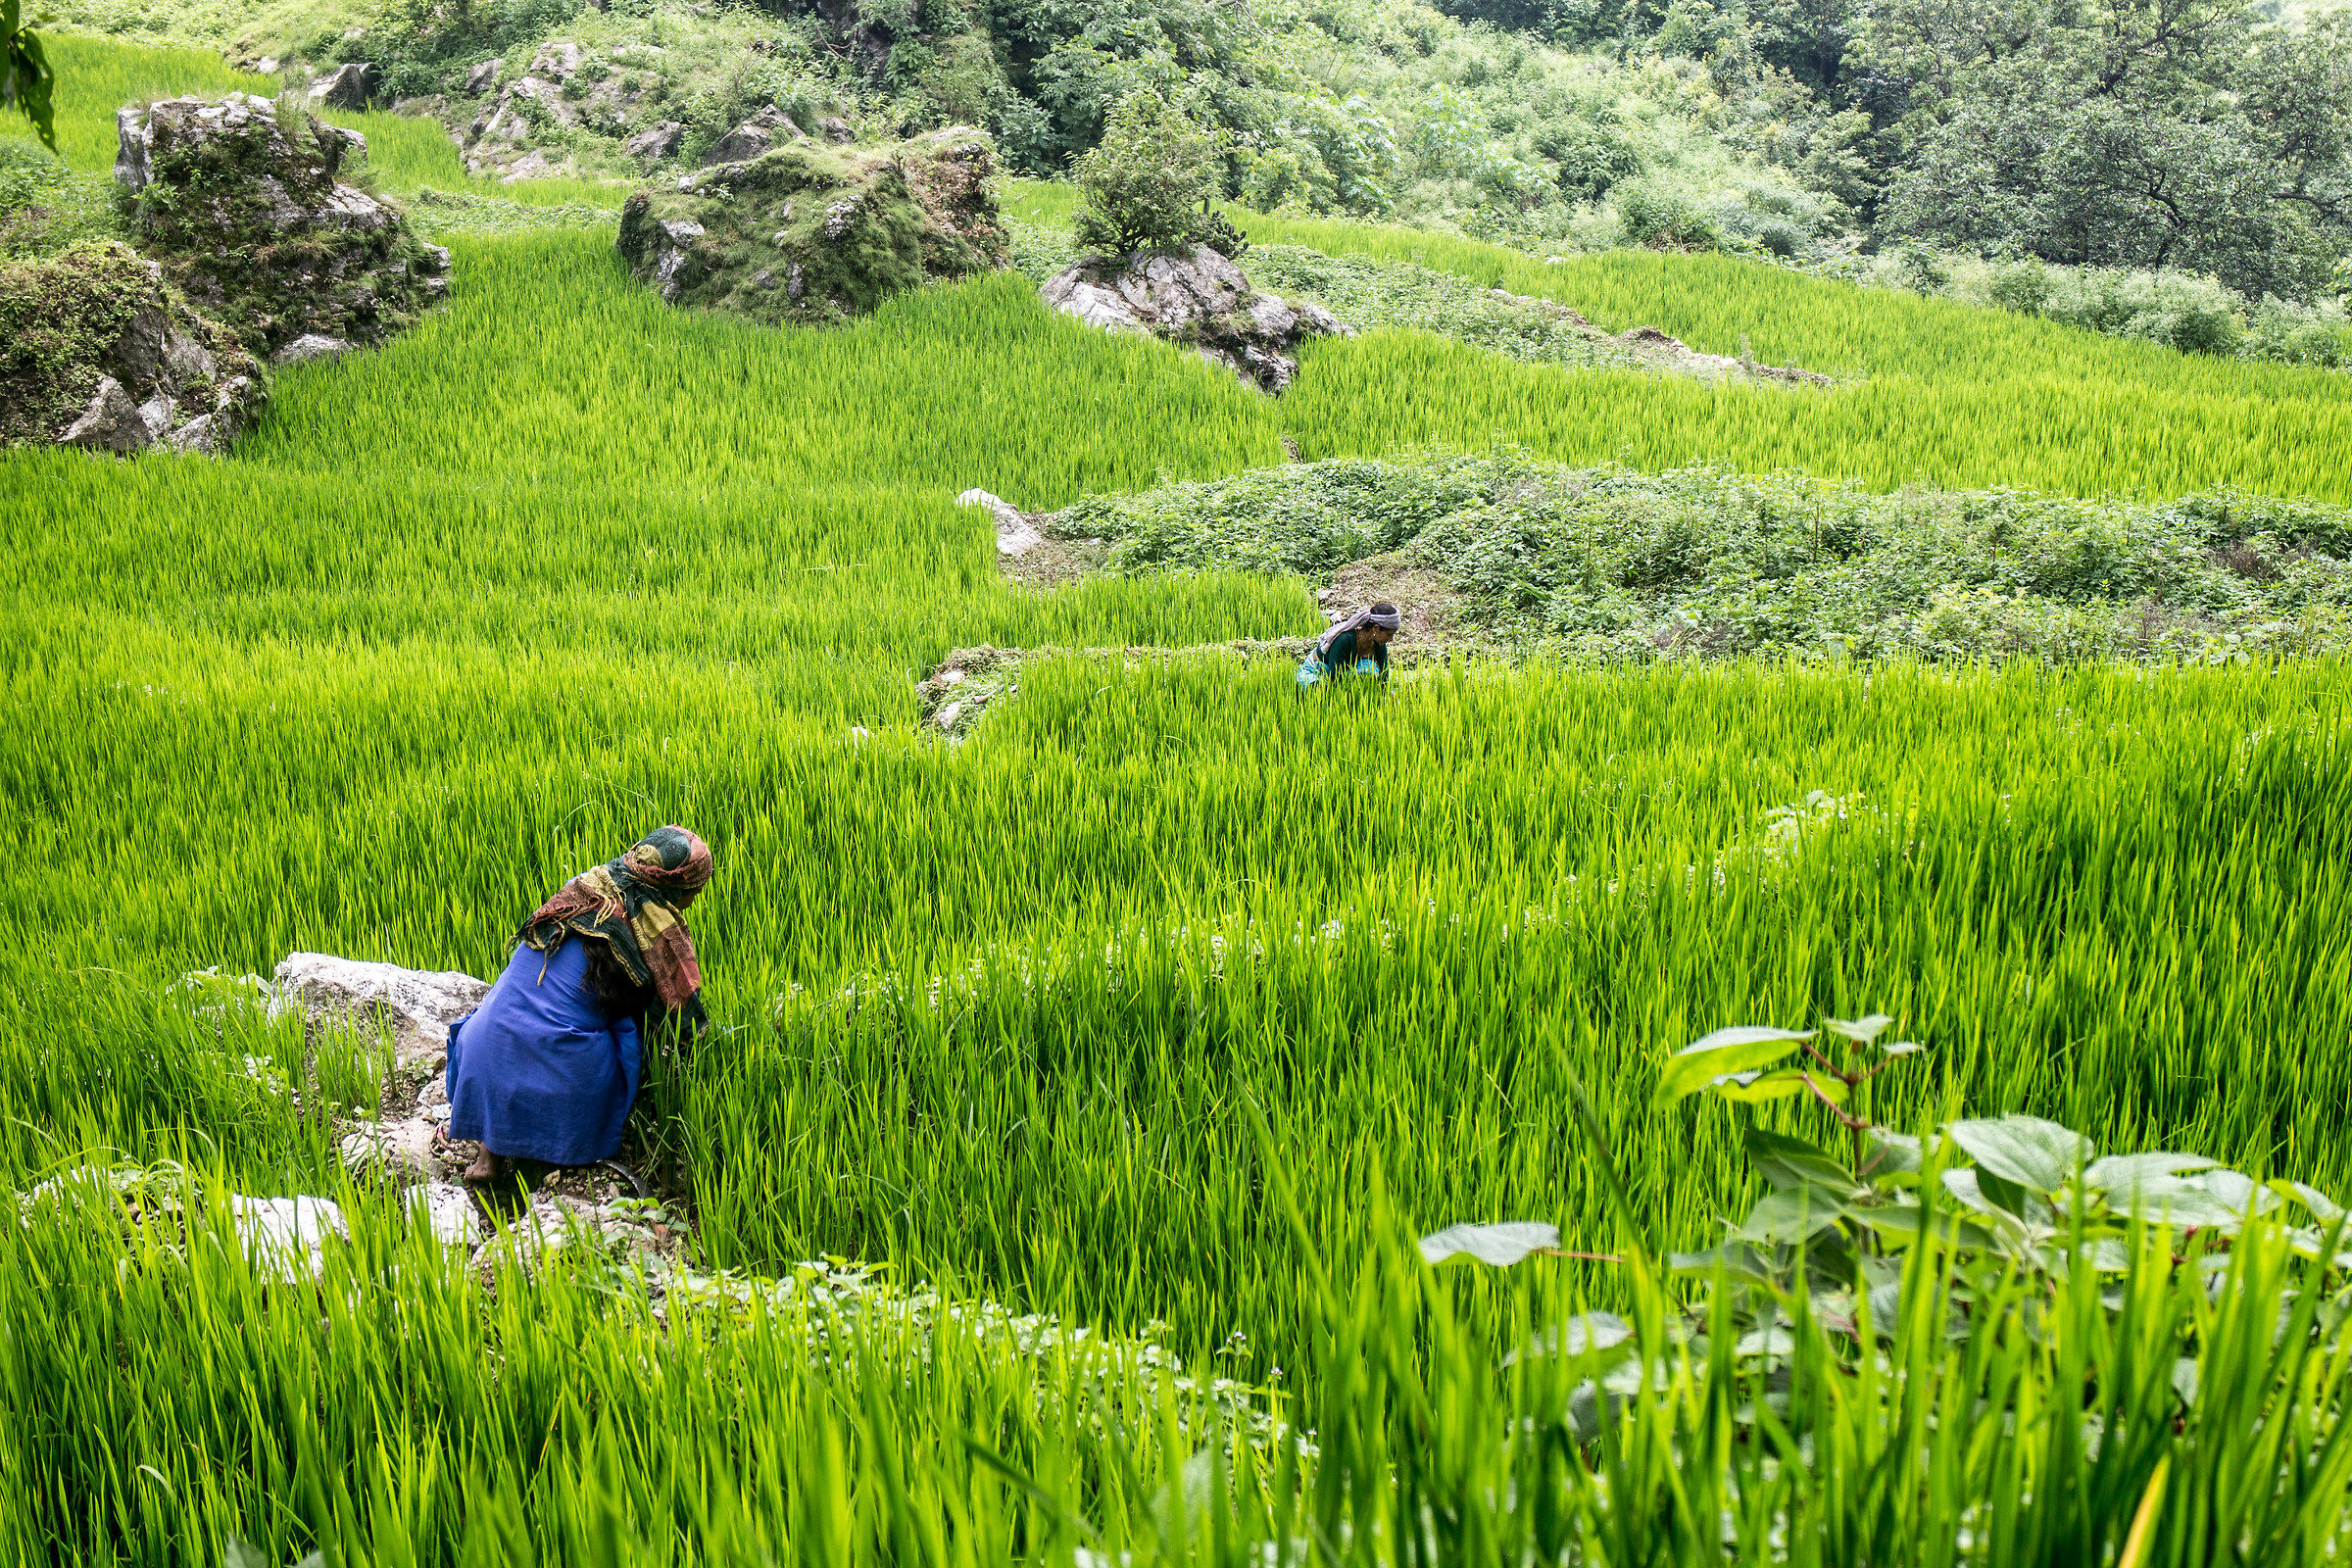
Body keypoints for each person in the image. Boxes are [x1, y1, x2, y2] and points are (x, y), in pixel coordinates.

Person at [442, 826, 715, 1186]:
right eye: (694, 892)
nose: (694, 901)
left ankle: (488, 1156)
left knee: (513, 1015)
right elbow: (677, 1023)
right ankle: (566, 1147)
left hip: (479, 1052)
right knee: (627, 1033)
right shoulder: (644, 933)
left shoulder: (587, 890)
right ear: (675, 888)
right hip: (555, 1071)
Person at [1299, 602, 1401, 686]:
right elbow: (1336, 677)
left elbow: (1384, 675)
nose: (1390, 639)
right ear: (1376, 628)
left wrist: (1385, 696)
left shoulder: (1379, 644)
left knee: (1369, 673)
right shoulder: (1345, 639)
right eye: (1389, 634)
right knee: (1319, 691)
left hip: (1347, 671)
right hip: (1321, 670)